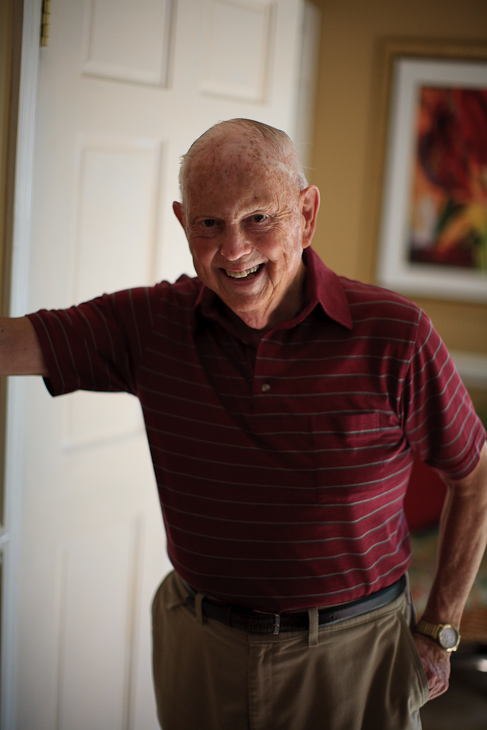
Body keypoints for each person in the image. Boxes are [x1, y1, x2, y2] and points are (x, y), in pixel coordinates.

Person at [1, 118, 486, 730]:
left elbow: (475, 476)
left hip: (354, 652)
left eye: (260, 217)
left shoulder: (396, 334)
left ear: (306, 214)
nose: (233, 249)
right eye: (210, 223)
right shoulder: (150, 324)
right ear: (183, 223)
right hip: (201, 647)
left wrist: (440, 628)